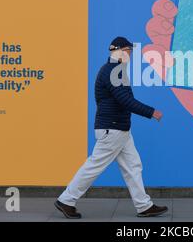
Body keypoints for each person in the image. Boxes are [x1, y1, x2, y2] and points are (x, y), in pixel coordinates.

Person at [55, 37, 167, 219]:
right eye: (129, 51)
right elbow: (125, 100)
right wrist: (151, 111)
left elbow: (120, 100)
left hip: (118, 129)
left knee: (133, 166)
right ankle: (66, 200)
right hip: (113, 129)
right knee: (94, 165)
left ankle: (144, 206)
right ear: (121, 50)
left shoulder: (111, 69)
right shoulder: (115, 71)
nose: (130, 55)